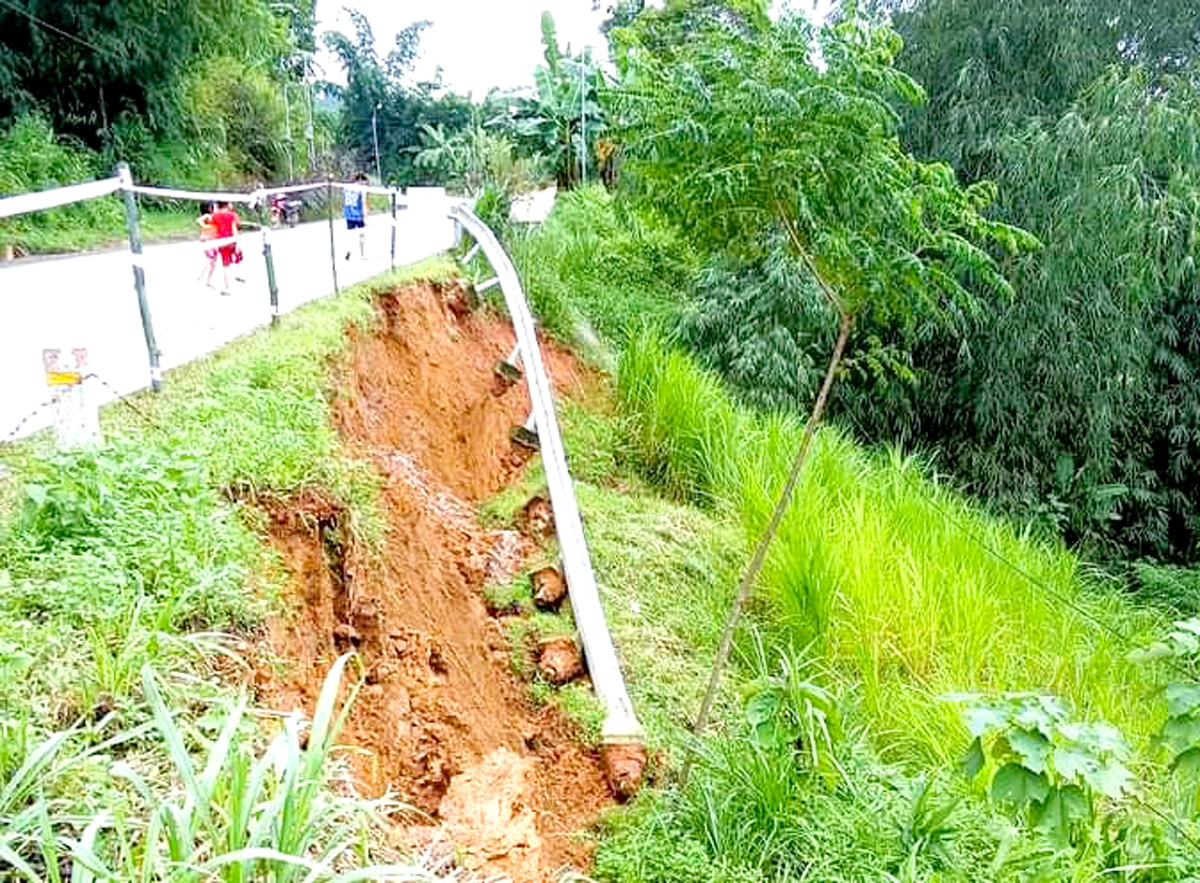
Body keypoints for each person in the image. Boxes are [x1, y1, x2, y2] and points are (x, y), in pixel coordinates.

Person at [210, 200, 244, 296]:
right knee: (238, 257)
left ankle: (227, 288)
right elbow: (235, 229)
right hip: (232, 240)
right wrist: (238, 242)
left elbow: (213, 229)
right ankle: (239, 274)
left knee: (226, 265)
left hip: (222, 242)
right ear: (227, 204)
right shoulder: (232, 215)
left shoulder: (214, 216)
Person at [343, 172, 368, 260]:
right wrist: (365, 217)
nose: (366, 184)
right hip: (358, 215)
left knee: (350, 234)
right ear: (360, 180)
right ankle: (362, 255)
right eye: (365, 182)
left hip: (349, 214)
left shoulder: (346, 188)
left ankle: (348, 250)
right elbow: (364, 203)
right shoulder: (362, 189)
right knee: (362, 234)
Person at [197, 201, 219, 288]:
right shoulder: (207, 216)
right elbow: (198, 220)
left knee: (213, 261)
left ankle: (206, 280)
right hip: (207, 239)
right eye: (214, 207)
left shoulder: (214, 216)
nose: (216, 208)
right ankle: (202, 277)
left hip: (213, 239)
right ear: (210, 208)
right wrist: (205, 226)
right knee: (211, 260)